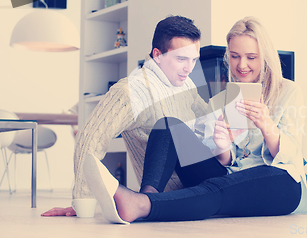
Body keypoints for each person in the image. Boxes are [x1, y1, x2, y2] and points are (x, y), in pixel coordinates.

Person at [81, 16, 307, 224]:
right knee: (168, 127)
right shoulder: (223, 97)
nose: (242, 65)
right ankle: (150, 195)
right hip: (233, 178)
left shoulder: (288, 92)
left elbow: (295, 161)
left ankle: (143, 207)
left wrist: (268, 128)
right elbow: (226, 161)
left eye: (250, 57)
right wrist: (220, 150)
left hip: (277, 182)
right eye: (234, 57)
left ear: (264, 57)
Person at [42, 15, 208, 217]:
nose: (189, 68)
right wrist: (83, 202)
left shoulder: (187, 84)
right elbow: (91, 139)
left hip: (205, 183)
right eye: (181, 59)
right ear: (157, 55)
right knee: (168, 127)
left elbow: (209, 119)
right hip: (167, 195)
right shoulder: (131, 91)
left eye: (193, 60)